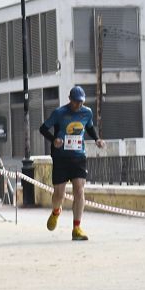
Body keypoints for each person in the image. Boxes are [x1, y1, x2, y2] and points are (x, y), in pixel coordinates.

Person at [39, 86, 104, 240]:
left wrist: (97, 139)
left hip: (78, 157)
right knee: (59, 194)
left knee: (79, 191)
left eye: (81, 102)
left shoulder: (87, 112)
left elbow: (89, 127)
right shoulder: (59, 113)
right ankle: (56, 211)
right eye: (75, 102)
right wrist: (54, 140)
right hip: (61, 157)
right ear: (70, 99)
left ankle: (77, 228)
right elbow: (43, 128)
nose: (78, 105)